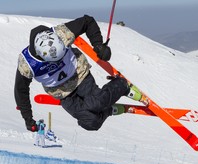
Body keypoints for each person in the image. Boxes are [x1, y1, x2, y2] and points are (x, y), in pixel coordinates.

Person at [14, 15, 144, 132]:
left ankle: (121, 85)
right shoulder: (27, 64)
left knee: (97, 104)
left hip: (80, 76)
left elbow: (88, 21)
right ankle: (109, 109)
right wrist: (28, 119)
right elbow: (21, 91)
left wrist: (98, 45)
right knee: (91, 123)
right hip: (63, 94)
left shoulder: (61, 34)